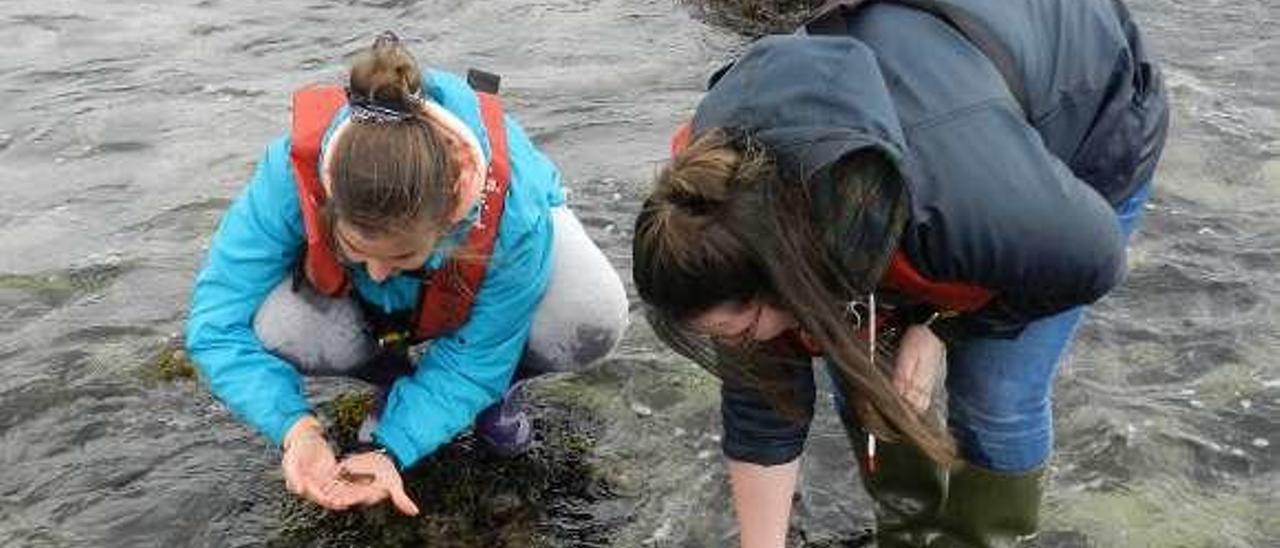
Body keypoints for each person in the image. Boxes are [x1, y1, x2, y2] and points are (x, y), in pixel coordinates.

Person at [632, 0, 1167, 546]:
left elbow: (1092, 259)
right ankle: (904, 532)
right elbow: (762, 411)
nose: (740, 343)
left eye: (742, 331)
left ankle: (980, 538)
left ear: (775, 280)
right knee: (871, 372)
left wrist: (940, 326)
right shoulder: (718, 231)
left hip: (1082, 115)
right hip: (930, 110)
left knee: (994, 396)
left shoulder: (958, 202)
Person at [186, 33, 628, 516]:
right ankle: (395, 381)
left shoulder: (513, 212)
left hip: (483, 265)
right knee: (279, 327)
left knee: (591, 315)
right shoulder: (288, 177)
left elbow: (476, 358)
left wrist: (389, 449)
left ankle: (503, 387)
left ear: (450, 217)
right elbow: (215, 326)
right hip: (390, 300)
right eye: (355, 248)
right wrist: (296, 428)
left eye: (399, 257)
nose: (375, 273)